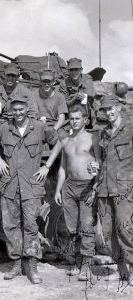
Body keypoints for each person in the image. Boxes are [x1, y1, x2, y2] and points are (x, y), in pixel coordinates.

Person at [0, 95, 58, 284]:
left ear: (27, 109)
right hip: (10, 185)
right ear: (11, 110)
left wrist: (47, 166)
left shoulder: (39, 127)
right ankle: (15, 264)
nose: (18, 113)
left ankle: (32, 266)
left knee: (31, 225)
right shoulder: (4, 128)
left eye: (21, 109)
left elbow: (58, 143)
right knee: (10, 226)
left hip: (31, 185)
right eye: (15, 110)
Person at [54, 104, 101, 281]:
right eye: (71, 118)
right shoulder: (65, 141)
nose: (73, 122)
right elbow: (63, 168)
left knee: (87, 228)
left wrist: (95, 188)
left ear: (85, 120)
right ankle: (77, 263)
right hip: (69, 187)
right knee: (72, 229)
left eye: (77, 118)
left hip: (87, 186)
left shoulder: (92, 139)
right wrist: (58, 190)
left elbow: (99, 164)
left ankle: (87, 268)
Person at [93, 94, 133, 285]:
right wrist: (93, 170)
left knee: (125, 230)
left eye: (111, 108)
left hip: (125, 189)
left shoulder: (130, 129)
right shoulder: (103, 133)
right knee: (108, 233)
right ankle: (121, 269)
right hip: (104, 188)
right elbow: (101, 161)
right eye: (104, 110)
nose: (108, 112)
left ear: (118, 107)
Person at [0, 63, 39, 129]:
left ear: (18, 76)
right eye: (8, 75)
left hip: (20, 125)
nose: (10, 78)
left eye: (13, 76)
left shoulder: (25, 93)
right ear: (4, 75)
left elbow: (33, 114)